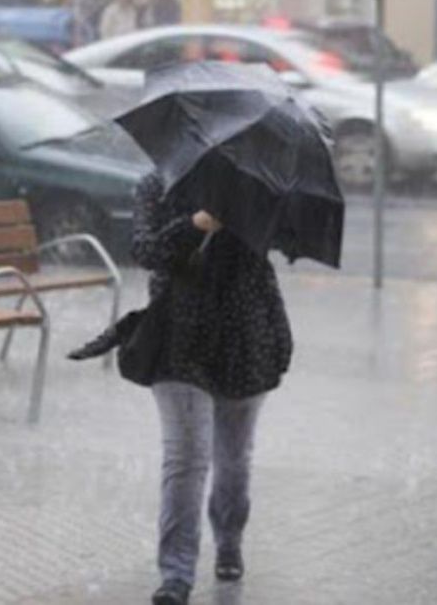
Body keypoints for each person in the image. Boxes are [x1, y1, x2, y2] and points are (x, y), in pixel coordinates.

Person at [131, 172, 293, 605]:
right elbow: (146, 251)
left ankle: (229, 540)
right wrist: (197, 224)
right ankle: (176, 573)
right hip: (178, 339)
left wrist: (252, 209)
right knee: (186, 458)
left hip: (244, 339)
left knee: (234, 457)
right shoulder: (157, 185)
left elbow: (276, 247)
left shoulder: (257, 184)